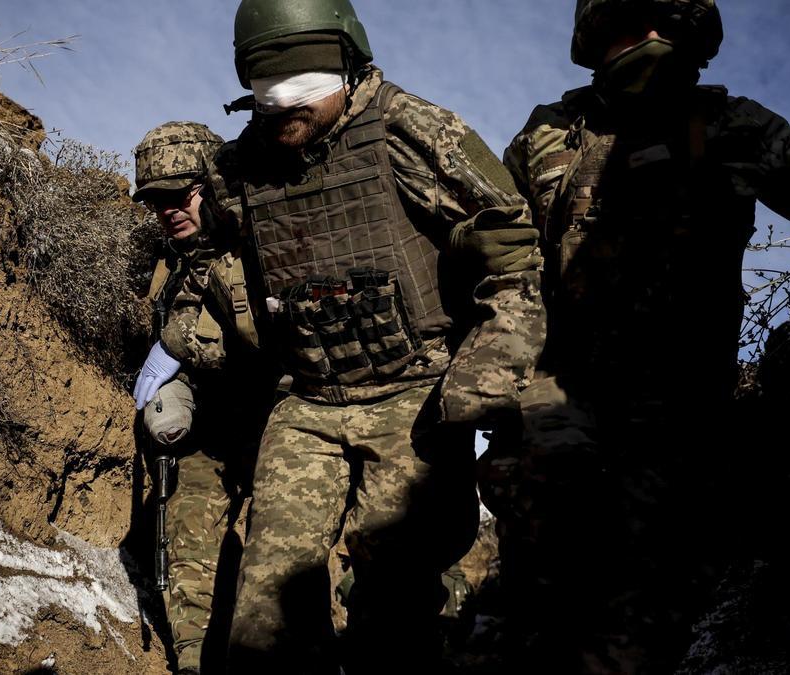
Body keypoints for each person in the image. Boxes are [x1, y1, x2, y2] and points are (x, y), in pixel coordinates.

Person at [495, 0, 790, 672]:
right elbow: (494, 257)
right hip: (553, 419)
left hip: (674, 423)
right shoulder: (546, 135)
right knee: (537, 618)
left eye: (670, 25)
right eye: (632, 25)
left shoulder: (728, 126)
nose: (651, 40)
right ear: (596, 37)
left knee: (635, 628)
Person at [134, 1, 545, 671]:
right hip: (307, 401)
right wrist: (179, 347)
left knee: (396, 612)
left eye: (304, 87)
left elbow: (514, 253)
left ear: (350, 65)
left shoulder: (414, 133)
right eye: (268, 92)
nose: (285, 105)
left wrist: (485, 377)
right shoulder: (239, 168)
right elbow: (214, 257)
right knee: (264, 619)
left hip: (413, 397)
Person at [132, 121, 274, 675]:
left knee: (280, 551)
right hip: (212, 421)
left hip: (278, 417)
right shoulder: (170, 262)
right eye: (155, 202)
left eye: (179, 195)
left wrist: (181, 346)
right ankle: (195, 660)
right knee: (187, 527)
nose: (167, 211)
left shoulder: (262, 242)